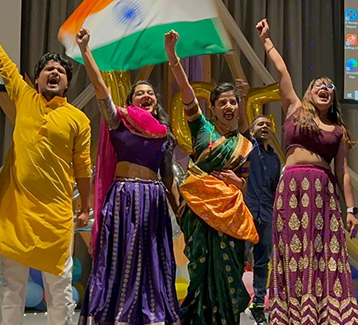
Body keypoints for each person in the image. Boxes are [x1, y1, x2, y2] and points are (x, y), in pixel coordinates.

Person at [0, 9, 92, 325]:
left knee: (60, 285)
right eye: (47, 70)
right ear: (35, 79)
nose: (53, 74)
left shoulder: (78, 119)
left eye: (60, 72)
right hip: (16, 211)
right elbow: (3, 63)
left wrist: (86, 207)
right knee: (11, 283)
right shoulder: (24, 98)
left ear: (67, 83)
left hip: (57, 214)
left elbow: (83, 168)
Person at [71, 28, 183, 324]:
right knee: (118, 255)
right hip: (123, 198)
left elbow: (168, 179)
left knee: (152, 258)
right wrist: (86, 50)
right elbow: (100, 88)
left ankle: (152, 313)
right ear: (131, 101)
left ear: (156, 103)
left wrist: (180, 212)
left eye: (150, 94)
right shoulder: (119, 120)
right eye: (140, 93)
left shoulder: (164, 135)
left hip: (154, 199)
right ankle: (116, 311)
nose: (146, 96)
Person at [256, 19, 358, 325]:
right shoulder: (293, 110)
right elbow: (283, 72)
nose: (324, 89)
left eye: (329, 87)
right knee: (292, 248)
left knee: (323, 251)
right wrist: (267, 41)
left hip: (323, 194)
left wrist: (351, 209)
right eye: (318, 86)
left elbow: (343, 172)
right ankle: (291, 313)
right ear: (308, 93)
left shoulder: (338, 130)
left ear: (334, 98)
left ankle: (326, 313)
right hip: (291, 189)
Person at [165, 30, 259, 325]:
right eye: (223, 103)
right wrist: (173, 56)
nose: (229, 107)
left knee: (230, 274)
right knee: (201, 274)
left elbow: (244, 180)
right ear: (213, 109)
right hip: (200, 216)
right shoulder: (202, 129)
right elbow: (187, 92)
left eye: (233, 102)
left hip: (230, 217)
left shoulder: (243, 144)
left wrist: (239, 184)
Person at [241, 115, 282, 325]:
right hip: (246, 212)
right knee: (240, 257)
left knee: (263, 262)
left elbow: (276, 189)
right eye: (260, 124)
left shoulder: (275, 159)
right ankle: (233, 300)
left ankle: (257, 305)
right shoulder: (248, 148)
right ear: (252, 129)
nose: (265, 126)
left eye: (268, 124)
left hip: (267, 214)